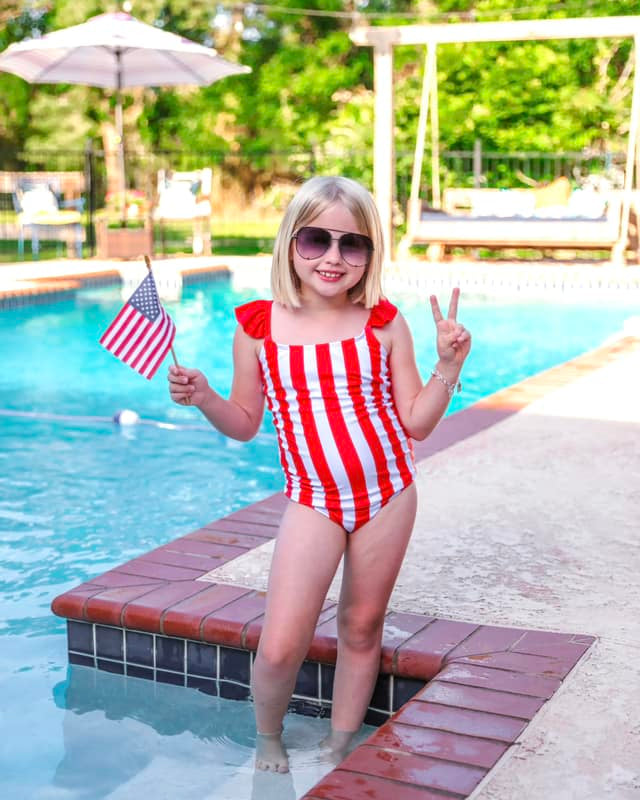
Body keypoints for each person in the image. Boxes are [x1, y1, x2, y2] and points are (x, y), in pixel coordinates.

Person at [168, 176, 471, 773]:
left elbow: (417, 423)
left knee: (362, 625)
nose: (333, 258)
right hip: (314, 500)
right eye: (316, 240)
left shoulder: (383, 323)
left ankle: (340, 742)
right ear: (290, 243)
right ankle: (268, 738)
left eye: (351, 245)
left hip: (387, 493)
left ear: (369, 254)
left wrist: (448, 366)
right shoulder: (259, 328)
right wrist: (205, 397)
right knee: (282, 643)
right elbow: (246, 421)